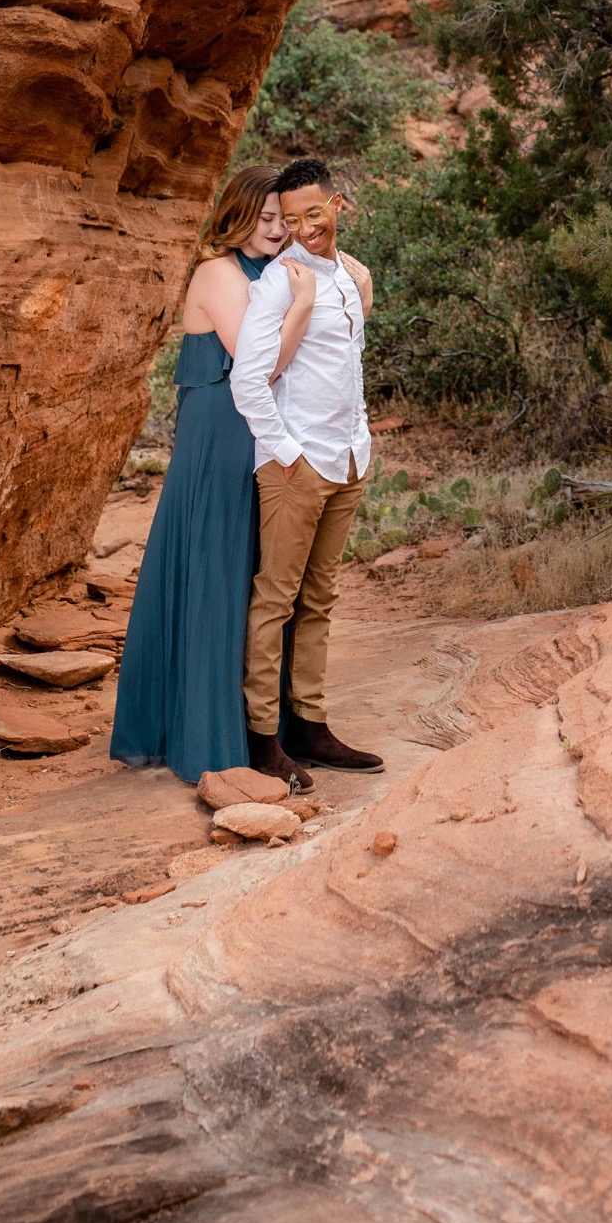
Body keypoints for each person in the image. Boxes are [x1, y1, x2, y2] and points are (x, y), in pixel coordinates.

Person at [110, 167, 315, 784]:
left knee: (261, 575)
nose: (277, 230)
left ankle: (264, 727)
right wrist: (304, 303)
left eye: (285, 218)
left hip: (262, 434)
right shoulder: (219, 273)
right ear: (238, 214)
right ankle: (213, 739)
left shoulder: (271, 271)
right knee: (220, 570)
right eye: (266, 217)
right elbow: (267, 364)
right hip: (222, 438)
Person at [230, 155, 384, 788]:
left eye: (312, 214)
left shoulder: (351, 276)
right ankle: (263, 740)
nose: (301, 228)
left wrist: (363, 436)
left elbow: (349, 365)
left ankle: (311, 726)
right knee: (276, 599)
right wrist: (286, 452)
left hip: (349, 457)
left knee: (319, 599)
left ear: (338, 205)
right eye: (289, 219)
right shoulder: (278, 282)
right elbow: (249, 378)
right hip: (299, 464)